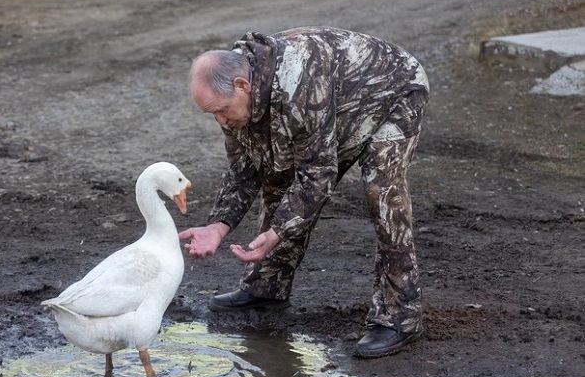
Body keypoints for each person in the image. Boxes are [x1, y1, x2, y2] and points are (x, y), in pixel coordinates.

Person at [178, 26, 429, 358]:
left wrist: (278, 231)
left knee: (382, 193)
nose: (221, 121)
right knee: (279, 177)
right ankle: (267, 288)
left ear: (242, 85)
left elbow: (318, 173)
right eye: (213, 114)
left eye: (222, 110)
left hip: (392, 92)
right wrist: (217, 226)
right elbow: (244, 170)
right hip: (335, 107)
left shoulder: (297, 83)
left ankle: (401, 318)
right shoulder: (237, 99)